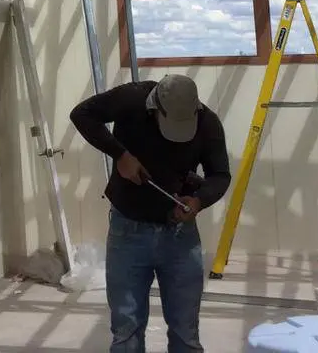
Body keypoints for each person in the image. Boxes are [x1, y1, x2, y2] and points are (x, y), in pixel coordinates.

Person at [70, 74, 230, 353]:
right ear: (155, 107)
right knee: (126, 331)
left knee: (186, 333)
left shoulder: (207, 123)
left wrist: (198, 201)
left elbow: (220, 175)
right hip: (127, 231)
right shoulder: (132, 99)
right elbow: (82, 114)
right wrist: (120, 154)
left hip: (180, 238)